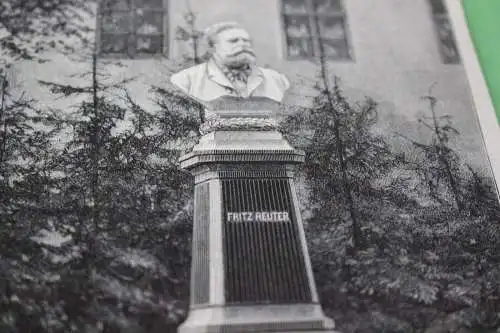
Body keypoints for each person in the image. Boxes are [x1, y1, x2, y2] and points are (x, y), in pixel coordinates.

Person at [170, 21, 290, 103]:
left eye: (247, 41)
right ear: (212, 48)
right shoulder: (186, 81)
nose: (243, 45)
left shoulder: (277, 80)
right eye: (234, 41)